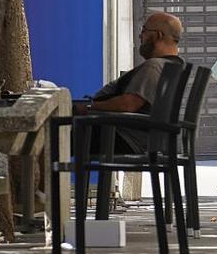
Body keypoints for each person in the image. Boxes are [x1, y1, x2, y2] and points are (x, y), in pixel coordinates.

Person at [73, 12, 185, 153]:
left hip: (122, 137)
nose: (140, 36)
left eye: (144, 31)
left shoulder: (154, 66)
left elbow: (128, 104)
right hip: (127, 135)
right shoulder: (171, 67)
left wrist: (88, 108)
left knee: (53, 136)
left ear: (158, 35)